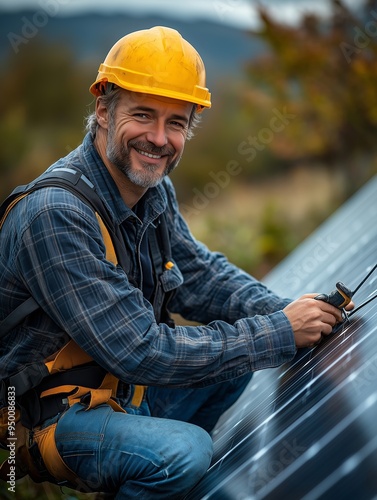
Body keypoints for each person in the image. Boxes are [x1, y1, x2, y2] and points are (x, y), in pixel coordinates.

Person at [0, 26, 352, 498]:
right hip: (44, 414)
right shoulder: (56, 215)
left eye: (177, 123)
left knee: (233, 363)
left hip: (120, 390)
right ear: (104, 109)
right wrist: (279, 332)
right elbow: (141, 351)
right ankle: (157, 474)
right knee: (184, 452)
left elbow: (201, 277)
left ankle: (151, 482)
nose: (159, 139)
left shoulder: (152, 190)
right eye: (143, 115)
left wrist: (292, 313)